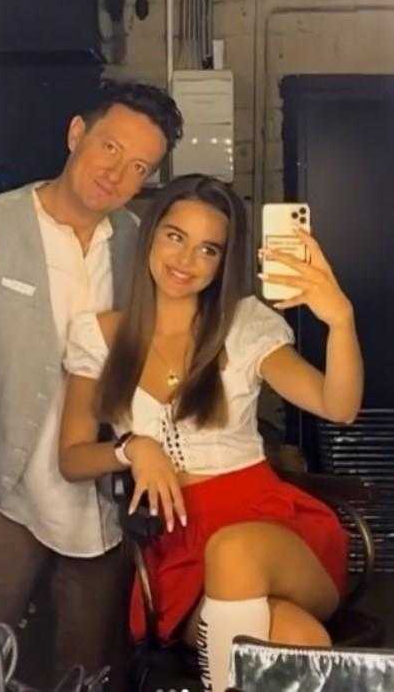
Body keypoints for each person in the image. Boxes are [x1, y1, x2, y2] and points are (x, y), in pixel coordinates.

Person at [59, 174, 363, 692]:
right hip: (181, 548)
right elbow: (72, 458)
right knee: (299, 639)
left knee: (234, 549)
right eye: (175, 236)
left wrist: (341, 320)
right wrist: (134, 448)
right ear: (151, 234)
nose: (186, 260)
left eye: (208, 249)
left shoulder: (242, 326)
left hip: (273, 530)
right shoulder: (99, 336)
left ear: (224, 262)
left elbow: (339, 407)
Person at [0, 78, 183, 685]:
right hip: (0, 488)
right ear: (76, 134)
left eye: (139, 167)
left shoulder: (138, 247)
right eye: (110, 148)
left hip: (99, 496)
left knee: (91, 667)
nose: (116, 174)